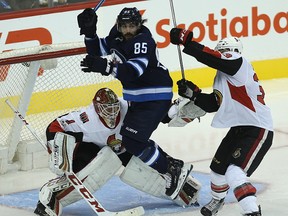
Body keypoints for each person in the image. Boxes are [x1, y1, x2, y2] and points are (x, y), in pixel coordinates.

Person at [77, 7, 194, 200]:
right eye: (125, 26)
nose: (129, 30)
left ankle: (170, 169)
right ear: (119, 25)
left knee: (132, 141)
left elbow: (133, 70)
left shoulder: (143, 41)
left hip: (155, 96)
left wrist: (105, 66)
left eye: (133, 25)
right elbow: (97, 50)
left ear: (140, 25)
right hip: (138, 98)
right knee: (131, 139)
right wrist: (90, 33)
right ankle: (171, 162)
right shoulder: (116, 36)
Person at [34, 88, 201, 216]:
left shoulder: (127, 106)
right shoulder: (86, 119)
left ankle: (182, 190)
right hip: (92, 151)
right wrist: (58, 151)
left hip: (126, 146)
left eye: (114, 109)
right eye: (107, 110)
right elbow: (55, 127)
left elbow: (156, 113)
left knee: (139, 162)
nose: (113, 114)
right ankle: (51, 196)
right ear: (97, 109)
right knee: (104, 164)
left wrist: (178, 108)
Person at [169, 28, 273, 216]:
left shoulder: (239, 64)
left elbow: (211, 58)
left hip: (257, 128)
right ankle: (217, 201)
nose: (226, 55)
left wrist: (188, 43)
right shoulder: (224, 77)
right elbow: (213, 104)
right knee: (217, 170)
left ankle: (252, 211)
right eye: (222, 52)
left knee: (234, 171)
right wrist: (194, 94)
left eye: (227, 52)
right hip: (239, 128)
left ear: (235, 52)